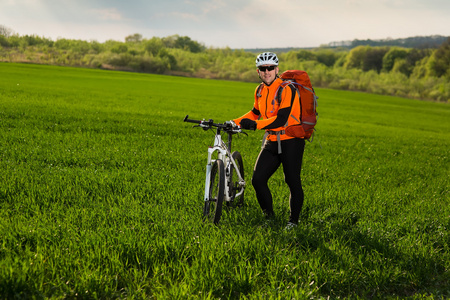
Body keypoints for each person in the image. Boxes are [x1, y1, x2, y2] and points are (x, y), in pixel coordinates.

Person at [232, 52, 305, 230]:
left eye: (270, 68)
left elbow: (281, 119)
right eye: (263, 69)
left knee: (292, 181)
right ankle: (269, 218)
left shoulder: (287, 89)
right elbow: (254, 113)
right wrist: (234, 123)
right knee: (258, 179)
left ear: (276, 69)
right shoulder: (259, 90)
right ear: (258, 71)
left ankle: (293, 222)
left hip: (292, 141)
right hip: (272, 140)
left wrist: (255, 126)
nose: (267, 72)